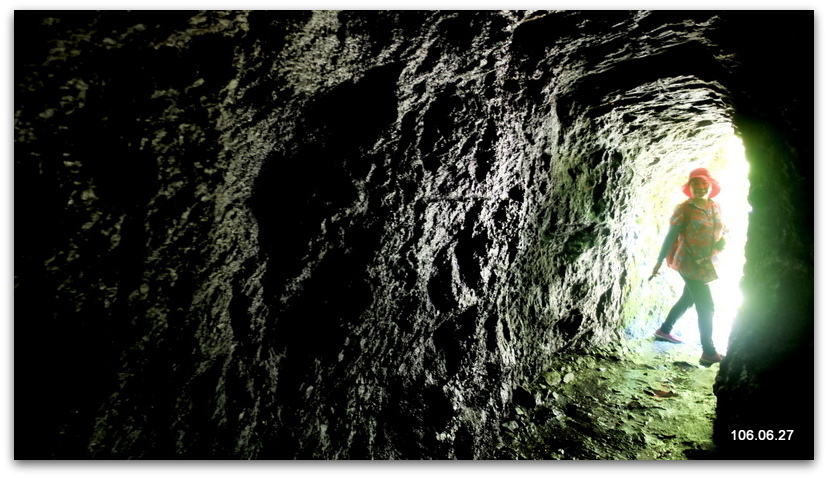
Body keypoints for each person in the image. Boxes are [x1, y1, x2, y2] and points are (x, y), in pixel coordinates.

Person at [650, 167, 727, 366]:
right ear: (689, 187)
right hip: (688, 261)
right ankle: (708, 351)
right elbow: (671, 236)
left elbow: (721, 228)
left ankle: (664, 330)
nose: (701, 187)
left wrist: (722, 240)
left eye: (704, 184)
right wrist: (659, 261)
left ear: (710, 186)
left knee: (687, 298)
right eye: (696, 184)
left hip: (707, 261)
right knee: (706, 305)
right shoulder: (683, 208)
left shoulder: (715, 206)